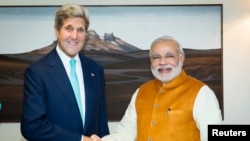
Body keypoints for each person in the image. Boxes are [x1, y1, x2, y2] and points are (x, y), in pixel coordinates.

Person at [101, 35, 222, 141]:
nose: (162, 62)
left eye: (169, 56)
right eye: (156, 57)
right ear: (150, 61)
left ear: (181, 58)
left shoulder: (201, 92)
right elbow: (125, 134)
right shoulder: (141, 92)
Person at [20, 3, 109, 141]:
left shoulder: (95, 70)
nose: (74, 36)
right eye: (69, 28)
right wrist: (80, 139)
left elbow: (101, 123)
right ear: (57, 30)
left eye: (80, 30)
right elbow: (32, 126)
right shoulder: (37, 72)